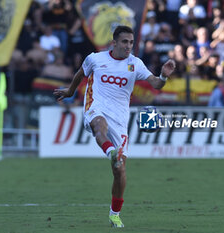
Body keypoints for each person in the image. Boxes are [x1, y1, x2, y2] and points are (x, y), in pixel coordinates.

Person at [53, 25, 176, 228]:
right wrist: (70, 92)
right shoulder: (96, 59)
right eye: (125, 42)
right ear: (115, 43)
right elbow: (79, 74)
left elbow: (155, 84)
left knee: (120, 171)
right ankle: (110, 150)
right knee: (98, 125)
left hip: (120, 118)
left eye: (131, 42)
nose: (128, 46)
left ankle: (114, 214)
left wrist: (163, 76)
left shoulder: (135, 64)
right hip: (96, 106)